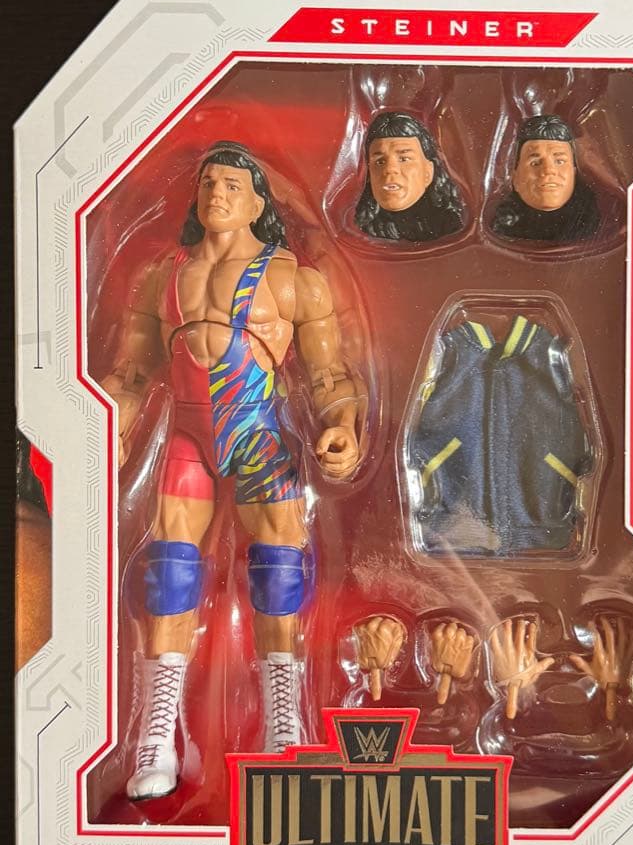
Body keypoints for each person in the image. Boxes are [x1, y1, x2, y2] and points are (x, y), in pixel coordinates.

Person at [101, 141, 364, 800]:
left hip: (257, 437)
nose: (216, 194)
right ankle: (156, 735)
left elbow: (330, 376)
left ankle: (283, 724)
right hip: (188, 436)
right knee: (169, 568)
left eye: (231, 185)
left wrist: (343, 426)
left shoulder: (293, 280)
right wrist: (106, 426)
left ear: (256, 201)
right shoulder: (163, 276)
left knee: (278, 569)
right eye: (208, 183)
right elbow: (130, 372)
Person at [354, 111, 464, 242]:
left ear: (428, 171)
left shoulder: (452, 227)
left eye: (404, 159)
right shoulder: (360, 231)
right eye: (380, 162)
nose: (389, 169)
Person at [491, 114, 600, 243]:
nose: (548, 170)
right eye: (535, 163)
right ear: (515, 176)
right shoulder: (499, 224)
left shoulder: (591, 221)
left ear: (574, 172)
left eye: (559, 161)